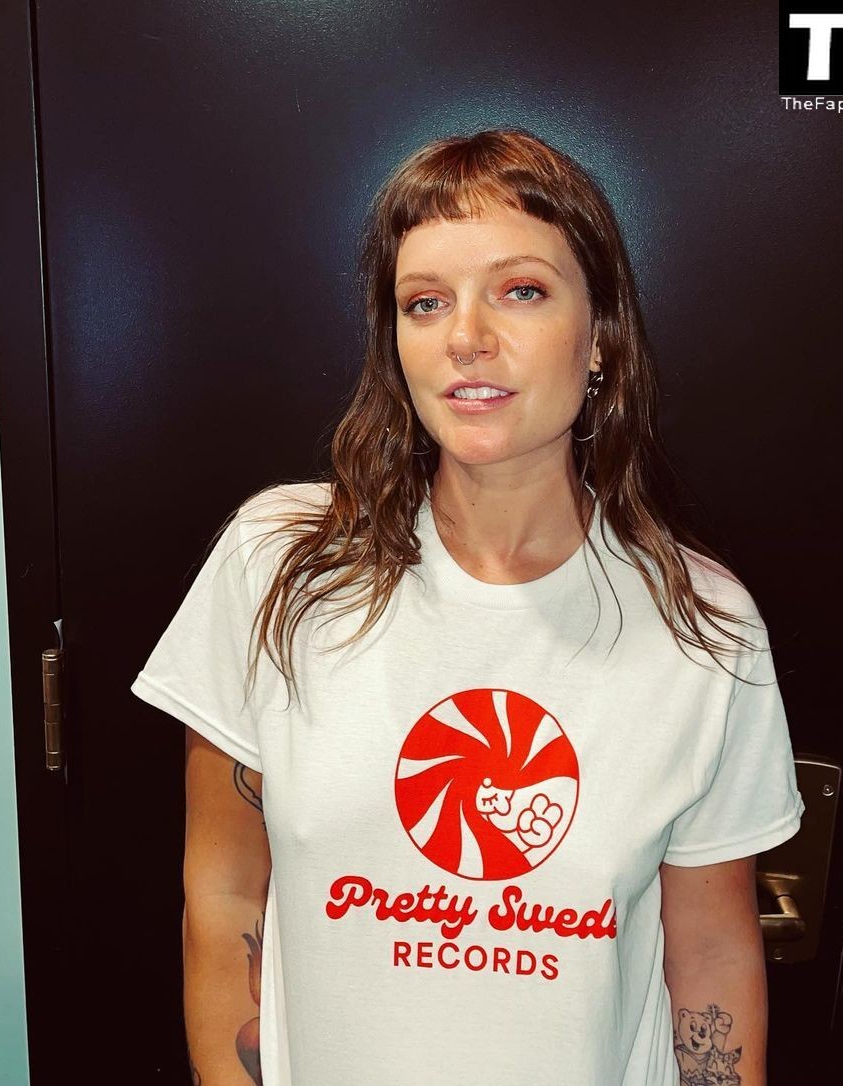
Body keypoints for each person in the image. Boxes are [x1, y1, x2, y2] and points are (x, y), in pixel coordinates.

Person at [131, 127, 805, 1086]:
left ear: (601, 336)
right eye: (426, 302)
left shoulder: (704, 625)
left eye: (520, 290)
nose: (465, 337)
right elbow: (226, 891)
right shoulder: (280, 563)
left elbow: (710, 954)